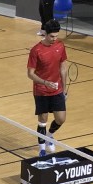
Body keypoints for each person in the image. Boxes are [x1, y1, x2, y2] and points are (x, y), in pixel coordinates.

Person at [27, 19, 68, 155]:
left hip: (57, 89)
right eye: (51, 36)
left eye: (56, 36)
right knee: (43, 120)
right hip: (41, 91)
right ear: (45, 34)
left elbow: (63, 68)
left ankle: (49, 136)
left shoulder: (60, 46)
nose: (54, 39)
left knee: (61, 119)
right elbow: (30, 74)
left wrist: (64, 89)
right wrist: (45, 82)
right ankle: (42, 149)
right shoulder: (36, 50)